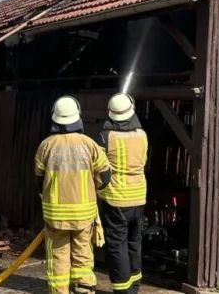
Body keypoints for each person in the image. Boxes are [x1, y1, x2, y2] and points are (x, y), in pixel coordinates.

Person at [35, 96, 112, 294]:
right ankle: (84, 290)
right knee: (83, 256)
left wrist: (47, 196)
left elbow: (39, 180)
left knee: (58, 258)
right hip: (84, 214)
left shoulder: (46, 146)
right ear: (77, 117)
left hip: (55, 216)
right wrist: (91, 188)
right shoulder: (89, 144)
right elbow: (104, 176)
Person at [97, 93, 149, 294]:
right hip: (139, 197)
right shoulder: (142, 135)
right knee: (134, 241)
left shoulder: (105, 136)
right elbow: (143, 160)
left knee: (117, 244)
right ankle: (134, 287)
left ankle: (122, 289)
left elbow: (99, 168)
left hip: (116, 199)